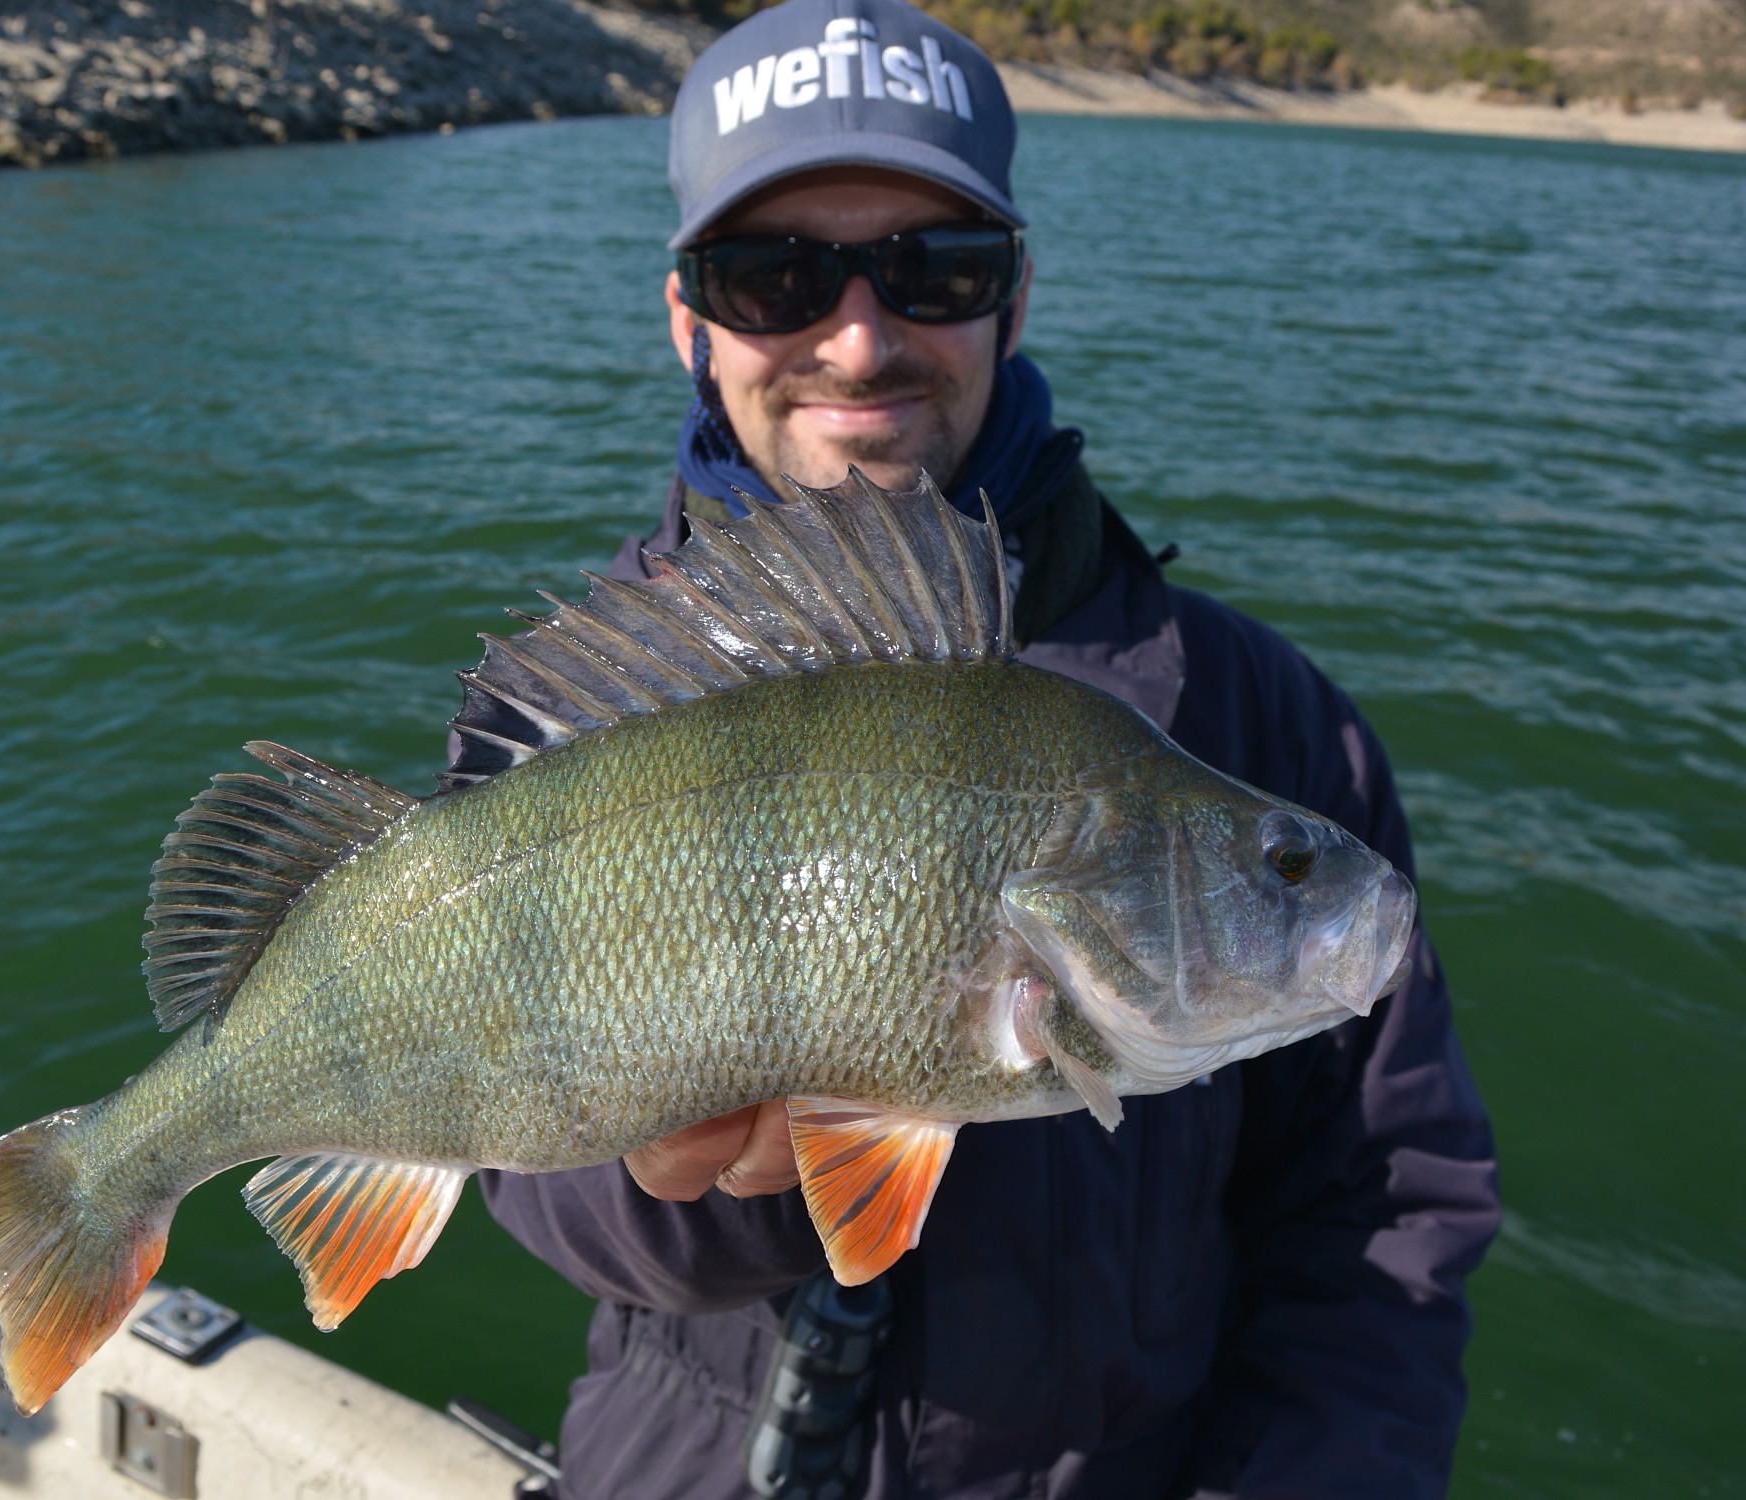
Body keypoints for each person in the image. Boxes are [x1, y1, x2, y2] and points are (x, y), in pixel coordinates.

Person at [481, 2, 1500, 1495]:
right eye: (772, 277)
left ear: (1014, 296)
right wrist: (690, 1191)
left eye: (932, 266)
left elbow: (1383, 1211)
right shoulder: (568, 709)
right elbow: (517, 1172)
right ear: (689, 319)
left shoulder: (1264, 719)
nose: (857, 337)